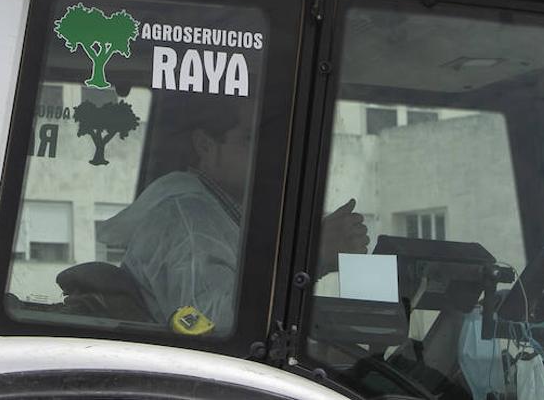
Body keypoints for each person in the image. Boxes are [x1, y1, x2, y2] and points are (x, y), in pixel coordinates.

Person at [98, 98, 367, 336]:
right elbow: (210, 326)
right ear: (204, 145)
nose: (268, 154)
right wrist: (311, 255)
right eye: (249, 139)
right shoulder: (189, 220)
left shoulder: (222, 213)